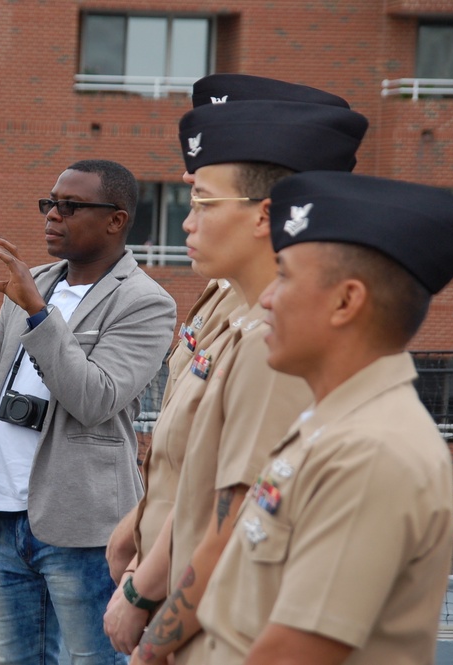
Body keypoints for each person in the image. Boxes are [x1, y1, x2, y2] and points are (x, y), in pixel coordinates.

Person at [104, 78, 367, 662]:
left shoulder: (275, 340)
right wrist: (136, 535)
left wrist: (152, 626)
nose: (186, 223)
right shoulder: (247, 310)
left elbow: (239, 511)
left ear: (264, 215)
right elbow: (195, 469)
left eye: (202, 202)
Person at [197, 171, 453, 664]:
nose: (266, 298)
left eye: (284, 275)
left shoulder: (373, 451)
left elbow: (292, 654)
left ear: (346, 301)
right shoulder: (332, 420)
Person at [0, 159, 177, 665]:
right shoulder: (35, 282)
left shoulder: (145, 302)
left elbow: (96, 400)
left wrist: (40, 313)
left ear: (116, 220)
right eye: (50, 204)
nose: (53, 216)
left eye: (71, 206)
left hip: (84, 525)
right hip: (4, 520)